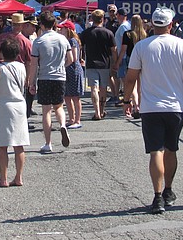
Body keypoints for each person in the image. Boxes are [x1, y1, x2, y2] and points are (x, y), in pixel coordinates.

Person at [122, 7, 183, 214]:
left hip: (150, 107)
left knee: (155, 150)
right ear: (171, 24)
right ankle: (168, 190)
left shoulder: (141, 46)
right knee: (171, 148)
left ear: (153, 24)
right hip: (175, 107)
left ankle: (157, 197)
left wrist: (126, 100)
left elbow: (130, 77)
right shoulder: (182, 45)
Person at [0, 37, 29, 187]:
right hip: (20, 106)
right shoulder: (22, 67)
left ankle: (3, 178)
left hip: (3, 106)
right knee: (19, 144)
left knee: (2, 145)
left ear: (2, 52)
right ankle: (18, 177)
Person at [28, 11, 73, 153]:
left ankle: (48, 143)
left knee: (46, 110)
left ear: (41, 24)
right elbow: (71, 59)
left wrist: (31, 82)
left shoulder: (38, 41)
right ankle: (63, 125)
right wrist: (61, 66)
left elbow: (34, 64)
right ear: (54, 24)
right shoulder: (63, 39)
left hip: (44, 77)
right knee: (59, 106)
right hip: (60, 76)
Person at [80, 9, 117, 121]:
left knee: (93, 88)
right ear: (103, 19)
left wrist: (81, 58)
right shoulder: (108, 33)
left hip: (91, 63)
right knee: (103, 88)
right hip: (104, 64)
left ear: (92, 19)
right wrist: (115, 63)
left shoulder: (86, 33)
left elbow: (81, 46)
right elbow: (114, 50)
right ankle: (101, 109)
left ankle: (96, 112)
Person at [118, 14, 147, 119]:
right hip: (143, 59)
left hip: (131, 59)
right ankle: (140, 106)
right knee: (140, 84)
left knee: (132, 84)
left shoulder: (128, 34)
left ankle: (135, 106)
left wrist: (118, 61)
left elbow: (123, 50)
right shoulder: (144, 34)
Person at [58, 20, 84, 129]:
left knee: (75, 96)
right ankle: (71, 119)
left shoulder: (72, 41)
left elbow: (73, 58)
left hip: (73, 70)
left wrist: (63, 66)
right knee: (67, 96)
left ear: (67, 29)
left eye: (62, 28)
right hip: (67, 70)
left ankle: (77, 120)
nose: (60, 30)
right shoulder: (66, 40)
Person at [112, 8, 131, 105]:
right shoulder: (127, 25)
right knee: (124, 79)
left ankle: (127, 98)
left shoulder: (123, 27)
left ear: (119, 15)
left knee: (124, 79)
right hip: (125, 55)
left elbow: (124, 44)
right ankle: (127, 97)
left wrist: (118, 60)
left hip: (122, 56)